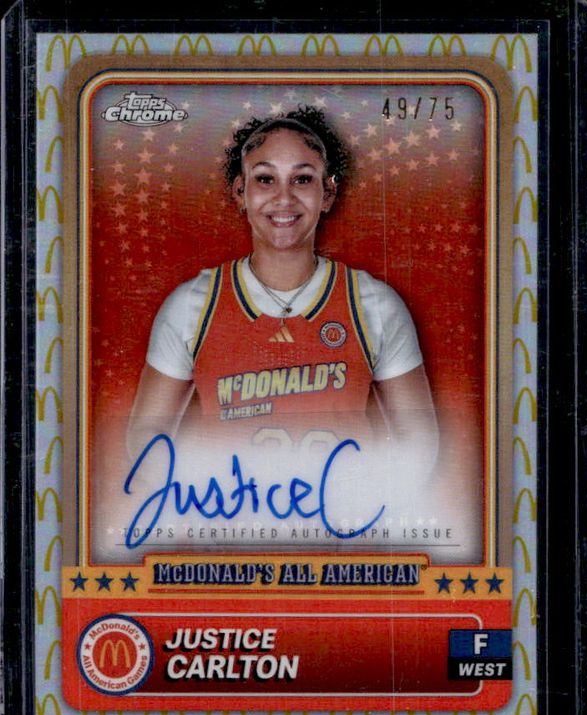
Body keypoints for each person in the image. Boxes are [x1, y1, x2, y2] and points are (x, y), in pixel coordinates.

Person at [128, 106, 438, 482]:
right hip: (230, 516)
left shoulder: (374, 305)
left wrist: (364, 504)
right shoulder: (193, 305)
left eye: (302, 179)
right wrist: (201, 502)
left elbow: (418, 440)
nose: (283, 198)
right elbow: (146, 436)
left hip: (341, 517)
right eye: (265, 179)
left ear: (327, 193)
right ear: (240, 192)